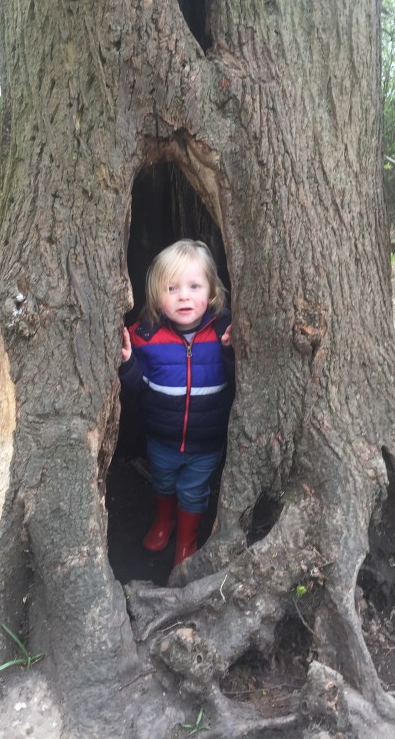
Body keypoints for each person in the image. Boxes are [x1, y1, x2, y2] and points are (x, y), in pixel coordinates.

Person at [119, 239, 234, 566]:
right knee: (164, 481)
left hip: (207, 440)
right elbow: (138, 386)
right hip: (161, 437)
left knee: (194, 491)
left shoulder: (223, 331)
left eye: (194, 286)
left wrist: (230, 351)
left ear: (211, 291)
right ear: (156, 296)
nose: (184, 295)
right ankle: (164, 522)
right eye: (172, 288)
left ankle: (187, 540)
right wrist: (128, 362)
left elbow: (243, 380)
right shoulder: (146, 335)